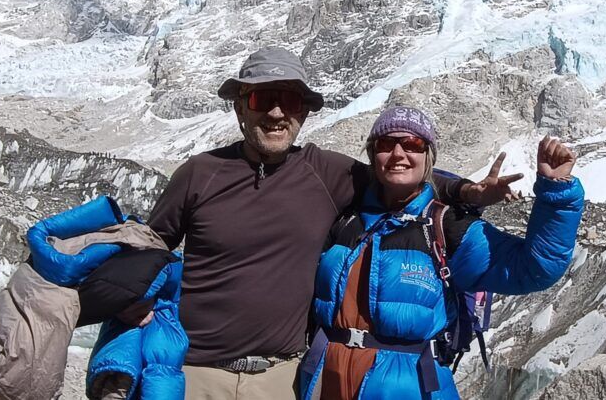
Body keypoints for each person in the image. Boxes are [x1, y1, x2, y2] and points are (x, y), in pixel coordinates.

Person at [145, 47, 521, 400]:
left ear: (303, 113)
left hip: (282, 379)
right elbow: (149, 249)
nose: (276, 113)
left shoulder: (327, 173)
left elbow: (401, 171)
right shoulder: (198, 174)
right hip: (194, 373)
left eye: (289, 101)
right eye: (262, 99)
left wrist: (466, 191)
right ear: (240, 107)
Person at [300, 106, 585, 399]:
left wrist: (556, 192)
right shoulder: (346, 220)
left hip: (413, 389)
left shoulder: (446, 226)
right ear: (373, 156)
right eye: (386, 144)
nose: (398, 154)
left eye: (412, 144)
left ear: (428, 157)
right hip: (325, 383)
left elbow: (535, 268)